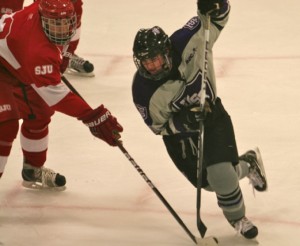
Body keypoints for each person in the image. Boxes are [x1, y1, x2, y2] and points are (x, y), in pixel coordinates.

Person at [131, 0, 267, 240]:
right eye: (146, 61)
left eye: (156, 59)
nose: (152, 66)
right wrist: (184, 122)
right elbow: (158, 127)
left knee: (221, 177)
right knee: (209, 184)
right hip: (180, 138)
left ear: (167, 51)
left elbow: (216, 18)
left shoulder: (188, 39)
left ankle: (238, 218)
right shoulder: (143, 91)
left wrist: (215, 4)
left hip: (212, 117)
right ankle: (247, 164)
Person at [0, 0, 123, 190]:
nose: (62, 29)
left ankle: (33, 170)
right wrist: (92, 117)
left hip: (15, 63)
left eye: (66, 23)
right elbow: (57, 97)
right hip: (7, 66)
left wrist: (66, 55)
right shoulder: (37, 51)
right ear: (42, 19)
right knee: (5, 125)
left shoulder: (50, 8)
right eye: (55, 24)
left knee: (40, 112)